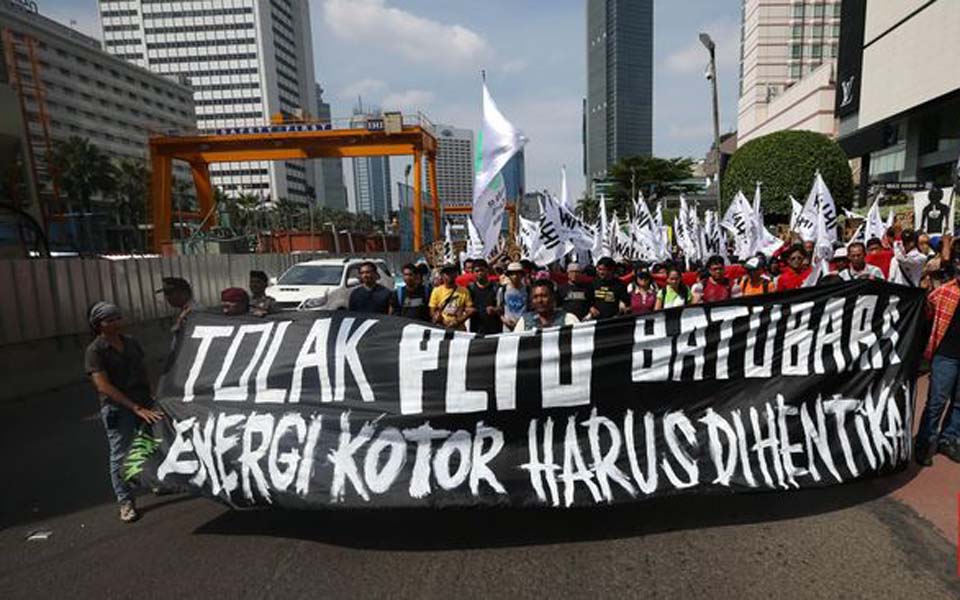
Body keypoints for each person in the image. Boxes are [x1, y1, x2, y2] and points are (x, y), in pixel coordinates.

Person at [85, 302, 164, 523]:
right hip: (119, 408)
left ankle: (153, 483)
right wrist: (134, 407)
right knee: (120, 455)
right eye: (109, 320)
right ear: (98, 325)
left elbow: (143, 370)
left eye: (117, 318)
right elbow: (103, 386)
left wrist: (150, 396)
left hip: (142, 402)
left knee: (148, 444)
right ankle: (125, 500)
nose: (115, 323)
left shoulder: (131, 343)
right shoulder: (95, 351)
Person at [917, 250, 960, 465]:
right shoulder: (945, 292)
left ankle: (949, 439)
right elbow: (924, 311)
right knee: (936, 401)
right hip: (946, 355)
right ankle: (925, 441)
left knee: (959, 403)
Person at [514, 280, 580, 331]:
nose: (539, 300)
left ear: (553, 297)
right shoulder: (524, 322)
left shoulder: (568, 319)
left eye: (544, 296)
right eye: (535, 297)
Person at [429, 264, 472, 330]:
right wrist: (439, 319)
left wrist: (458, 321)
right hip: (441, 327)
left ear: (456, 274)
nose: (449, 275)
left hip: (458, 328)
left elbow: (470, 310)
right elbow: (432, 311)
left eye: (452, 273)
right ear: (442, 275)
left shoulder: (464, 291)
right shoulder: (436, 291)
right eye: (447, 273)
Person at [466, 259, 502, 335]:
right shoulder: (470, 288)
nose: (480, 273)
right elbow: (464, 307)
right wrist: (468, 310)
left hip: (495, 329)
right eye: (477, 271)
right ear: (473, 272)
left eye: (482, 270)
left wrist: (495, 310)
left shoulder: (496, 287)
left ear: (487, 270)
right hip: (476, 329)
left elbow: (503, 308)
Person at [498, 262, 529, 330]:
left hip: (524, 325)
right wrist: (505, 321)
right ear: (508, 275)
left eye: (518, 273)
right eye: (512, 274)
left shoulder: (528, 290)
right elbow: (499, 309)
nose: (515, 276)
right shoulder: (502, 290)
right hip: (507, 327)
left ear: (522, 275)